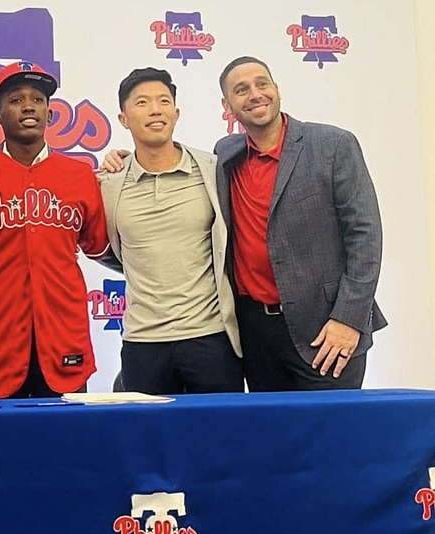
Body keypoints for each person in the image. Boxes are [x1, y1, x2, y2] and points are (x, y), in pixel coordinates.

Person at [215, 56, 386, 391]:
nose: (254, 94)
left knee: (331, 439)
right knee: (275, 439)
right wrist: (123, 162)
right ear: (227, 105)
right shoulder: (225, 154)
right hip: (256, 335)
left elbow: (366, 237)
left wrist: (348, 319)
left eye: (262, 83)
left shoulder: (333, 145)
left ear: (276, 89)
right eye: (241, 90)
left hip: (327, 330)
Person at [0, 62, 109, 398]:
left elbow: (96, 244)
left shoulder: (80, 175)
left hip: (63, 334)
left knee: (66, 445)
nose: (29, 106)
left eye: (38, 99)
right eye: (16, 100)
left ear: (50, 115)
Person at [97, 67, 242, 395]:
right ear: (123, 119)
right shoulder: (109, 182)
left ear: (176, 113)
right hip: (143, 342)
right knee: (148, 443)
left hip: (211, 337)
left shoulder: (212, 168)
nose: (155, 110)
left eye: (164, 101)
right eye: (142, 103)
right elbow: (104, 248)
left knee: (221, 441)